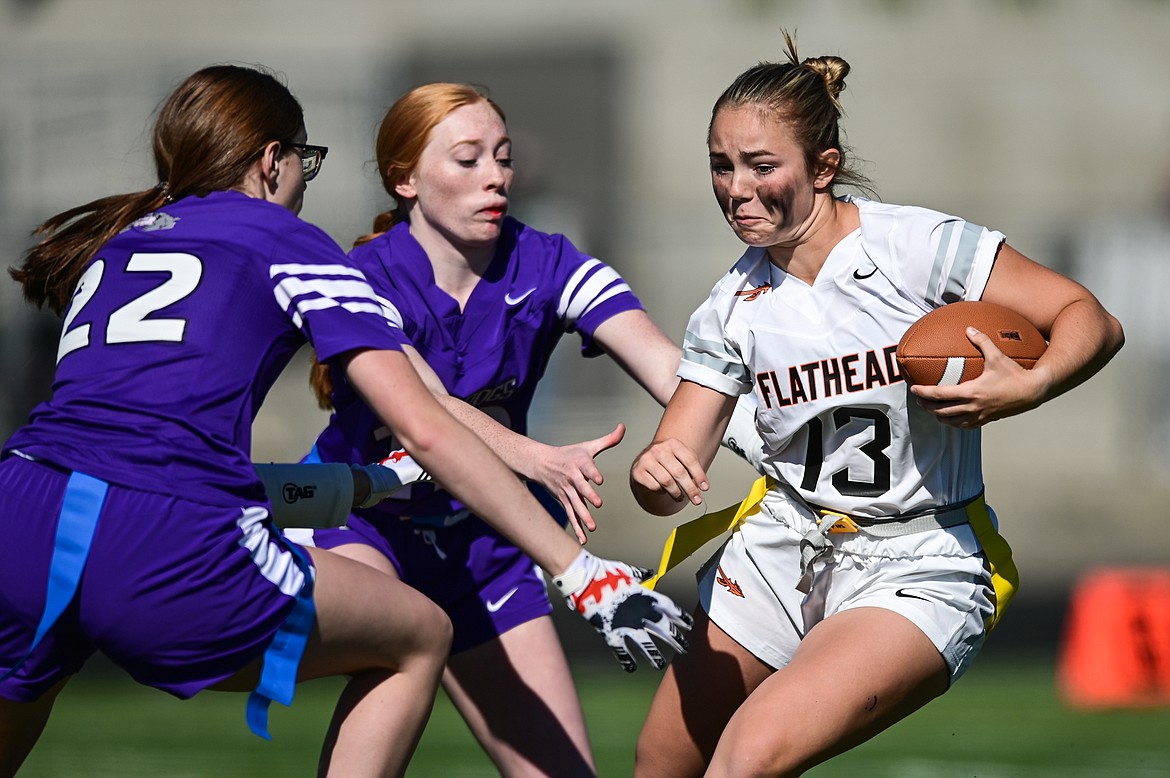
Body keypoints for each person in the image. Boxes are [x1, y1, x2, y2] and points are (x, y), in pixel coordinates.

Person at [0, 64, 688, 778]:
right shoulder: (299, 242)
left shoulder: (124, 241)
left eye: (503, 156)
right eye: (305, 160)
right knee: (420, 632)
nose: (496, 177)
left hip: (21, 511)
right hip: (175, 540)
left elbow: (135, 457)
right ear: (274, 161)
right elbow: (426, 423)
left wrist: (360, 484)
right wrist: (579, 568)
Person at [628, 33, 1124, 777]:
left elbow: (1089, 316)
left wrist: (1034, 381)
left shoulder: (917, 247)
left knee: (747, 757)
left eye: (762, 166)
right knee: (662, 763)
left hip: (918, 557)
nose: (736, 187)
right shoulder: (730, 305)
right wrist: (655, 473)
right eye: (720, 165)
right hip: (783, 547)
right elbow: (671, 464)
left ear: (823, 168)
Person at [289, 82, 759, 778]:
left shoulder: (546, 261)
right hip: (368, 532)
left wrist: (783, 442)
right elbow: (427, 408)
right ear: (405, 178)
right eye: (468, 159)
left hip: (486, 546)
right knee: (403, 638)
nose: (495, 177)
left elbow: (671, 370)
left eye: (502, 158)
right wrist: (535, 459)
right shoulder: (361, 277)